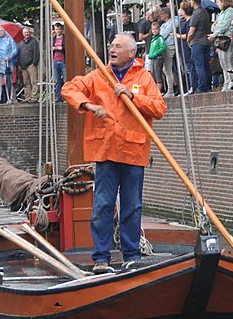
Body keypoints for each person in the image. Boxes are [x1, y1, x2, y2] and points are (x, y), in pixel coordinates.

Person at [61, 34, 166, 273]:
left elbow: (159, 108)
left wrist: (133, 96)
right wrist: (89, 106)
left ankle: (131, 255)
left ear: (131, 53)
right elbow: (70, 88)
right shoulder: (99, 75)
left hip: (133, 149)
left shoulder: (143, 77)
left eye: (118, 46)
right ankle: (101, 257)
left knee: (132, 205)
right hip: (105, 149)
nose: (112, 49)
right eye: (111, 46)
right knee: (103, 205)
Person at [208, 0, 233, 91]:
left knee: (228, 61)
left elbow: (223, 25)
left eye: (219, 2)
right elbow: (215, 25)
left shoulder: (230, 12)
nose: (218, 4)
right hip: (221, 38)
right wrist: (216, 29)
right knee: (222, 62)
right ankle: (226, 81)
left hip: (227, 38)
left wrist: (214, 34)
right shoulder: (221, 13)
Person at [187, 0, 212, 93]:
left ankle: (201, 87)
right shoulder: (205, 12)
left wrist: (188, 39)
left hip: (197, 42)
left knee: (199, 65)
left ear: (193, 1)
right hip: (206, 41)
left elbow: (191, 31)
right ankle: (208, 86)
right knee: (206, 65)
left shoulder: (195, 14)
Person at [16, 27, 40, 102]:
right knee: (26, 83)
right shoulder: (20, 43)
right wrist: (19, 64)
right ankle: (27, 97)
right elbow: (19, 54)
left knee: (33, 82)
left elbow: (36, 53)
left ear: (30, 33)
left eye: (27, 32)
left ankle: (34, 97)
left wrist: (34, 63)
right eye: (25, 32)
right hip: (23, 66)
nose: (26, 34)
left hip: (31, 65)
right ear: (23, 34)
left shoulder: (34, 41)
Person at [158, 7, 176, 97]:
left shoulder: (171, 23)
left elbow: (162, 35)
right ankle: (170, 89)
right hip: (164, 48)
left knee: (168, 69)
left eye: (162, 14)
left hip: (169, 47)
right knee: (165, 69)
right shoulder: (163, 25)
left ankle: (171, 90)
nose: (160, 16)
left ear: (166, 14)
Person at [147, 21, 166, 93]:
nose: (154, 31)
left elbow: (163, 47)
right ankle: (155, 90)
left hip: (158, 58)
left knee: (158, 75)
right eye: (153, 29)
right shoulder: (153, 39)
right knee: (153, 74)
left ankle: (159, 91)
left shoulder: (160, 38)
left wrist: (155, 54)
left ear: (159, 30)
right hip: (152, 59)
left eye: (156, 29)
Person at [52, 23, 66, 102]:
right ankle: (58, 97)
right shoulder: (53, 38)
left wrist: (62, 48)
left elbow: (66, 47)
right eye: (56, 29)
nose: (58, 31)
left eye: (59, 29)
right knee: (57, 80)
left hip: (63, 61)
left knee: (65, 80)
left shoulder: (65, 38)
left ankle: (65, 97)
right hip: (55, 60)